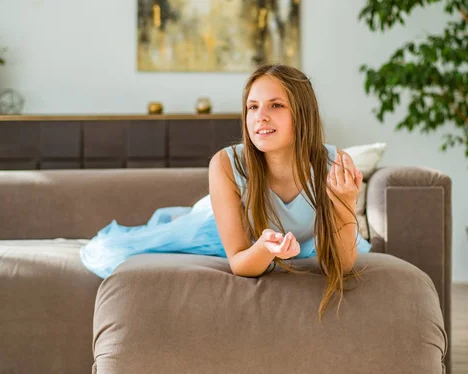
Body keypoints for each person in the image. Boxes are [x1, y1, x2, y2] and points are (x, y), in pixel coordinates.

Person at [80, 64, 370, 318]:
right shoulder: (226, 163)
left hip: (299, 239)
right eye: (253, 107)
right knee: (116, 251)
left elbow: (342, 264)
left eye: (276, 105)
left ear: (302, 113)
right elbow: (240, 262)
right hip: (215, 229)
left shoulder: (334, 163)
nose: (261, 116)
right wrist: (265, 247)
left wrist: (345, 201)